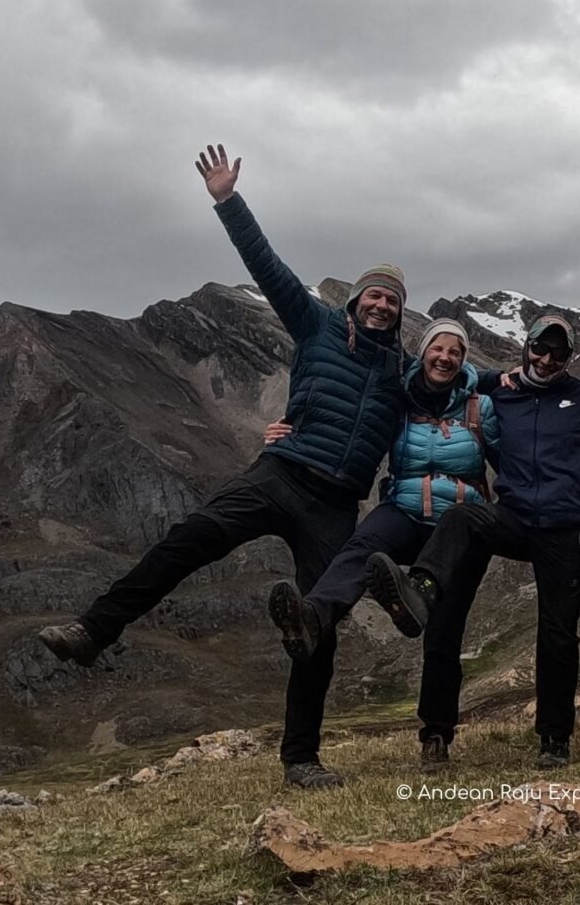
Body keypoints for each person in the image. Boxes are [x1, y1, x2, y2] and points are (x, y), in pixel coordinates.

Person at [38, 144, 409, 788]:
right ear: (355, 301)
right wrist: (228, 201)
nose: (379, 307)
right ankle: (94, 630)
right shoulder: (317, 326)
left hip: (334, 507)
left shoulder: (401, 372)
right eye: (372, 297)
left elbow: (463, 380)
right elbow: (267, 267)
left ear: (400, 315)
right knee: (188, 540)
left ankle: (301, 760)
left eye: (391, 303)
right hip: (281, 473)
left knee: (318, 626)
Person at [262, 318, 499, 779]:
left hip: (461, 522)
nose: (445, 357)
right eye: (438, 349)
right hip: (405, 509)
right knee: (362, 544)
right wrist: (293, 436)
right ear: (423, 352)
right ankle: (313, 616)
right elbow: (353, 428)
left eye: (456, 351)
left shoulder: (479, 407)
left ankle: (436, 734)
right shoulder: (399, 400)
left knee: (445, 633)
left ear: (464, 360)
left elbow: (511, 461)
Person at [367, 315, 580, 769]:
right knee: (462, 518)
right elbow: (462, 377)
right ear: (525, 345)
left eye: (558, 352)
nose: (546, 359)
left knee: (558, 634)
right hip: (513, 517)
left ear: (569, 356)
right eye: (539, 347)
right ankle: (423, 589)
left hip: (567, 527)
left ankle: (555, 738)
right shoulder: (502, 394)